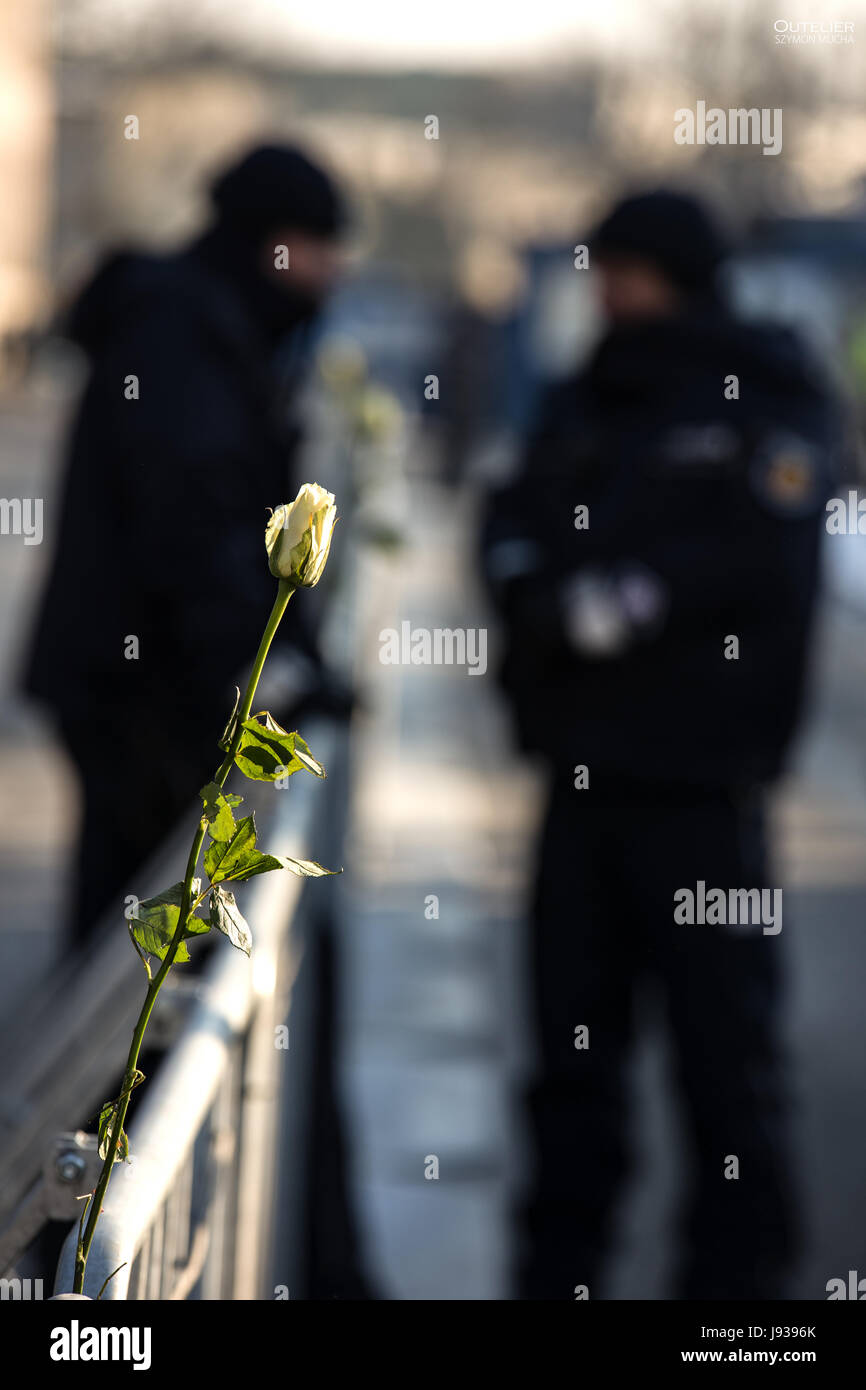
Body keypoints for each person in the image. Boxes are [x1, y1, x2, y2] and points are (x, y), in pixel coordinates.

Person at [482, 189, 842, 1300]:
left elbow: (767, 561)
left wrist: (633, 600)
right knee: (568, 1073)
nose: (603, 292)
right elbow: (511, 524)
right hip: (581, 791)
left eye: (622, 271)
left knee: (724, 1073)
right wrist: (541, 598)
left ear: (671, 276)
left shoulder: (762, 392)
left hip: (701, 798)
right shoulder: (587, 394)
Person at [23, 143, 348, 950]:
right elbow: (194, 519)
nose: (328, 274)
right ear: (272, 243)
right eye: (318, 248)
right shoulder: (184, 328)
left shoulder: (210, 322)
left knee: (143, 919)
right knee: (138, 928)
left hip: (148, 679)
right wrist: (265, 667)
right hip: (139, 686)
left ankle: (131, 1069)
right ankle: (131, 1078)